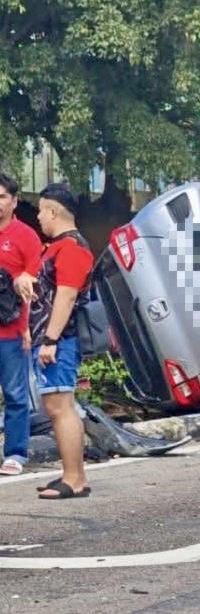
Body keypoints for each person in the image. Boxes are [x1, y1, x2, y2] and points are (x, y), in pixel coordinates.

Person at [15, 183, 94, 499]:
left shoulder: (72, 247)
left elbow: (67, 295)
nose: (38, 217)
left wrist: (50, 339)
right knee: (57, 407)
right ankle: (71, 475)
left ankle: (74, 479)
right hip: (50, 339)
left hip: (60, 341)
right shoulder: (56, 247)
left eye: (40, 210)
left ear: (52, 211)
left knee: (61, 408)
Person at [0, 174, 42, 476]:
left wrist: (28, 327)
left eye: (2, 196)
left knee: (15, 395)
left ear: (14, 201)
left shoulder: (26, 237)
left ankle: (15, 453)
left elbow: (34, 288)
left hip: (12, 332)